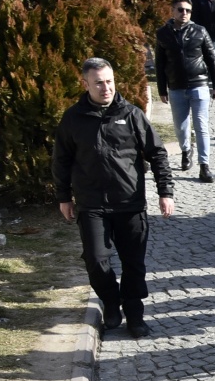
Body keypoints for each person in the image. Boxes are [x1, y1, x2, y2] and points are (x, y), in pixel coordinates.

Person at [52, 58, 173, 338]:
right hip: (91, 203)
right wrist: (64, 197)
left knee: (133, 263)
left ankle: (134, 313)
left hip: (129, 202)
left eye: (109, 81)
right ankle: (110, 301)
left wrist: (165, 191)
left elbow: (157, 154)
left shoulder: (131, 114)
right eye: (98, 83)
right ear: (86, 84)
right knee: (96, 259)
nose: (105, 88)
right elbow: (61, 160)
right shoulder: (73, 118)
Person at [154, 0, 215, 184]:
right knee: (181, 126)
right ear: (172, 11)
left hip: (199, 84)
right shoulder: (163, 33)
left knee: (201, 126)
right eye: (180, 9)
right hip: (176, 86)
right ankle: (186, 150)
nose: (184, 13)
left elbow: (212, 59)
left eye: (187, 10)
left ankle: (204, 165)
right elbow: (159, 64)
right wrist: (162, 89)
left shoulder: (200, 31)